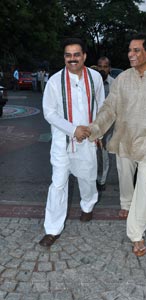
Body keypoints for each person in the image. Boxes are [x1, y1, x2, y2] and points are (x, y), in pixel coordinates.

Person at [88, 33, 146, 257]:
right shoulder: (123, 79)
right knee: (125, 176)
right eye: (130, 50)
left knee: (145, 187)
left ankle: (136, 234)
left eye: (136, 50)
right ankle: (126, 202)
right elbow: (109, 109)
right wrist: (95, 129)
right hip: (125, 138)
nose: (131, 54)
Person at [39, 38, 105, 247]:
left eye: (76, 54)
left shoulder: (95, 78)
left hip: (87, 140)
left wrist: (98, 133)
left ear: (84, 56)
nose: (72, 59)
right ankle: (52, 229)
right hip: (62, 142)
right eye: (68, 55)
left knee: (87, 178)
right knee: (58, 184)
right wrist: (72, 129)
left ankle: (87, 205)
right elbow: (49, 113)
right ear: (64, 57)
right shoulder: (54, 81)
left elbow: (101, 107)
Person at [96, 57, 114, 191]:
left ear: (109, 68)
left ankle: (101, 180)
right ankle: (92, 176)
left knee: (102, 151)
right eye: (100, 66)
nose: (103, 69)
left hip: (107, 124)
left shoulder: (114, 84)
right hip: (92, 122)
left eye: (105, 66)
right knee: (91, 152)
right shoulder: (92, 82)